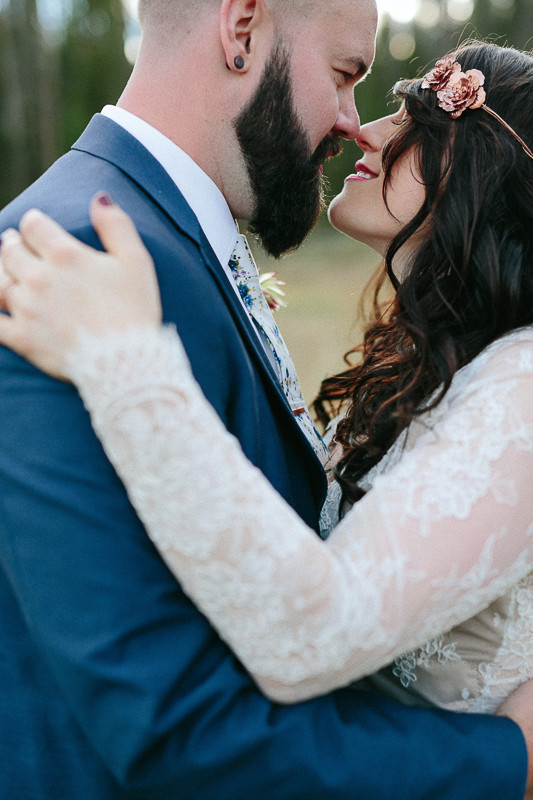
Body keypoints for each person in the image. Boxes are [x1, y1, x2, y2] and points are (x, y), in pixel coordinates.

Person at [0, 1, 529, 795]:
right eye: (345, 76)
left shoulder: (153, 251)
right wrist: (507, 762)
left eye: (405, 112)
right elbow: (168, 712)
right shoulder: (78, 256)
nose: (356, 124)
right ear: (240, 28)